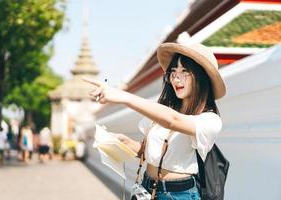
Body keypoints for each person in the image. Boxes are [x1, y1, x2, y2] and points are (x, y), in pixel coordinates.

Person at [83, 41, 226, 200]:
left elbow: (173, 120)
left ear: (201, 77)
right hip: (146, 188)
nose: (176, 78)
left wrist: (123, 96)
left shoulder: (209, 120)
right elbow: (152, 151)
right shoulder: (163, 111)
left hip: (179, 195)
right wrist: (127, 144)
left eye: (185, 71)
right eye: (173, 71)